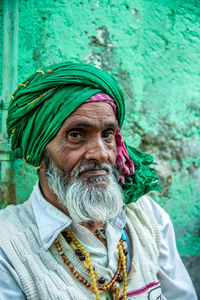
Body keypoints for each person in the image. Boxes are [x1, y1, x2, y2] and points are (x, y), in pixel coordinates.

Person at [0, 62, 197, 300]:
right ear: (39, 150)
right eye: (76, 135)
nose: (101, 154)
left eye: (107, 135)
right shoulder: (7, 247)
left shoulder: (149, 219)